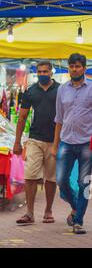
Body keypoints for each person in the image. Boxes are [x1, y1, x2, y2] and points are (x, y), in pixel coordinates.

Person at [13, 61, 60, 225]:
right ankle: (29, 213)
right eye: (39, 72)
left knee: (51, 178)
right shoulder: (30, 91)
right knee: (30, 176)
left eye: (45, 72)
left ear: (51, 72)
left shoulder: (60, 90)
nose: (42, 74)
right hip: (34, 139)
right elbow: (22, 118)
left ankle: (48, 211)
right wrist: (17, 142)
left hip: (55, 141)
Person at [52, 53, 92, 235]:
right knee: (61, 179)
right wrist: (55, 144)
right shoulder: (62, 89)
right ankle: (76, 206)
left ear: (84, 68)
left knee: (84, 183)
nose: (74, 69)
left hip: (86, 143)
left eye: (77, 66)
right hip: (66, 142)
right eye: (71, 66)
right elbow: (58, 118)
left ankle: (78, 221)